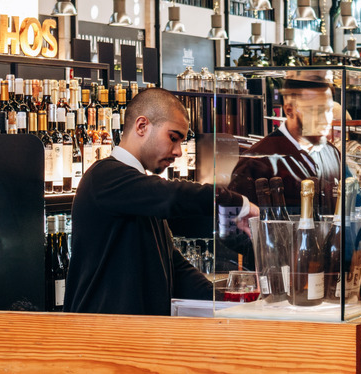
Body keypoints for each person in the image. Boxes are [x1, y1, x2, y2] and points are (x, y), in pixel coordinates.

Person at [64, 88, 258, 316]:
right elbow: (174, 195)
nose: (178, 152)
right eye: (173, 138)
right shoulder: (104, 177)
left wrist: (226, 302)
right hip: (102, 335)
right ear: (142, 126)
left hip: (136, 334)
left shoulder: (137, 190)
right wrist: (235, 202)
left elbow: (174, 268)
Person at [228, 78, 343, 216]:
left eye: (328, 109)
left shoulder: (332, 153)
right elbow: (238, 228)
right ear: (289, 110)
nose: (325, 118)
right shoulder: (256, 162)